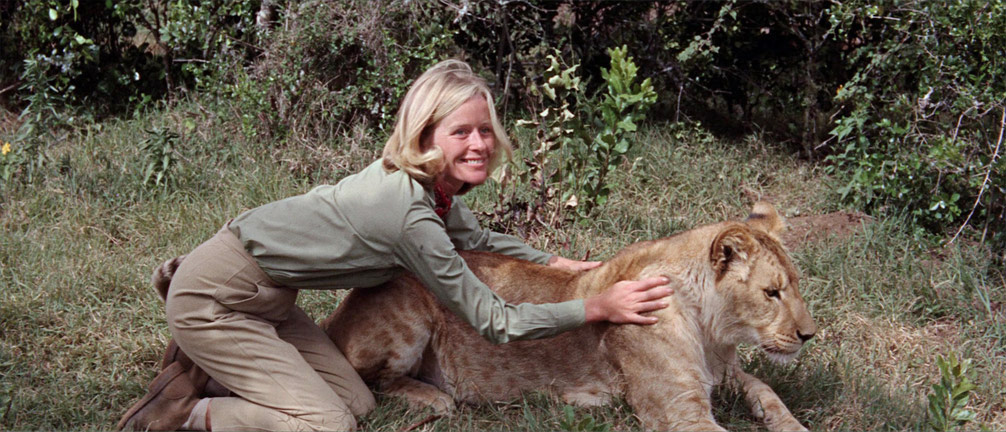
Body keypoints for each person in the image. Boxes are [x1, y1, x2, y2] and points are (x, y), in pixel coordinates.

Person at [117, 59, 674, 431]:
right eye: (461, 132)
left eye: (485, 129)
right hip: (218, 294)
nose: (479, 143)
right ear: (425, 136)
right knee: (327, 425)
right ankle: (187, 412)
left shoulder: (431, 190)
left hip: (272, 303)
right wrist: (596, 306)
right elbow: (495, 322)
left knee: (357, 403)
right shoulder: (409, 214)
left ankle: (210, 365)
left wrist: (554, 261)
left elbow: (475, 237)